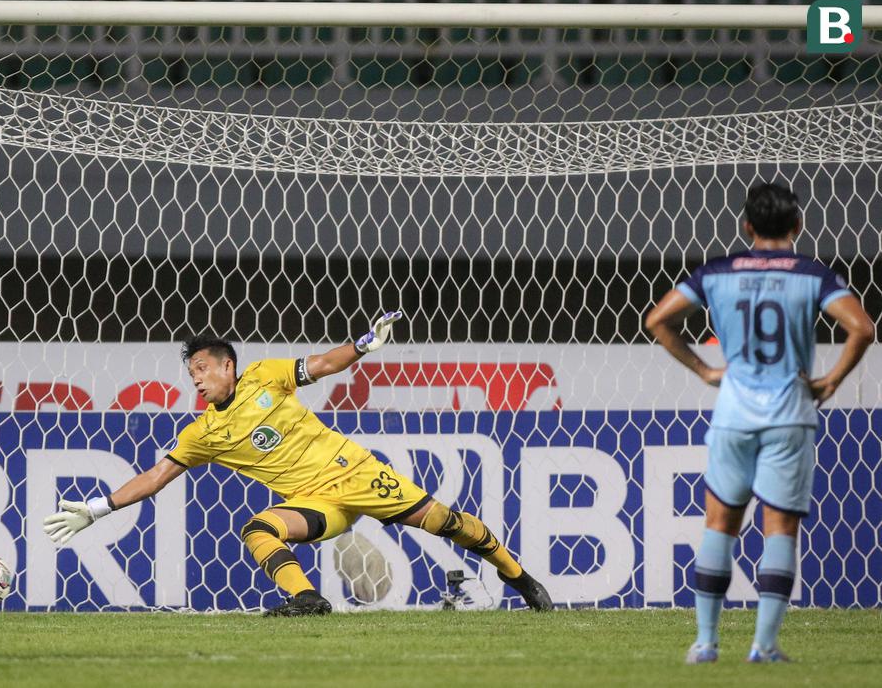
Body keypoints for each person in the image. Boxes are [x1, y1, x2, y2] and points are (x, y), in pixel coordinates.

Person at [44, 312, 552, 615]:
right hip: (313, 503)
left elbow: (323, 365)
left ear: (229, 366)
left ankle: (517, 575)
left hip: (353, 472)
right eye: (190, 372)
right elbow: (157, 477)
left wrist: (364, 345)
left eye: (203, 369)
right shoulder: (203, 433)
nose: (196, 379)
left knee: (444, 522)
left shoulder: (266, 376)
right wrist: (97, 508)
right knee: (260, 528)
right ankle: (308, 601)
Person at [645, 182, 873, 663]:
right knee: (780, 529)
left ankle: (705, 643)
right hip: (790, 414)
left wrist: (705, 370)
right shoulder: (813, 274)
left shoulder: (718, 272)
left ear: (746, 226)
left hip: (733, 414)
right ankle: (764, 646)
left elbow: (657, 320)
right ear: (798, 225)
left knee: (718, 524)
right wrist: (830, 381)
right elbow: (862, 328)